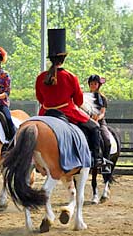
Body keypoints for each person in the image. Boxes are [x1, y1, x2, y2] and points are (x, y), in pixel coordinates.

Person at [35, 28, 108, 172]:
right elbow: (79, 101)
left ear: (50, 59)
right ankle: (96, 158)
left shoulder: (40, 77)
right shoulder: (70, 77)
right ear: (63, 59)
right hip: (67, 111)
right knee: (94, 127)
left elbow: (39, 98)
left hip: (45, 112)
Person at [88, 74, 113, 166]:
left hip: (99, 122)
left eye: (95, 84)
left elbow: (102, 112)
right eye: (91, 84)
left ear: (98, 85)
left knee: (107, 140)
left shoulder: (102, 98)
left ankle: (105, 162)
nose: (93, 85)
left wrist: (98, 117)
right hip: (86, 121)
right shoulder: (85, 97)